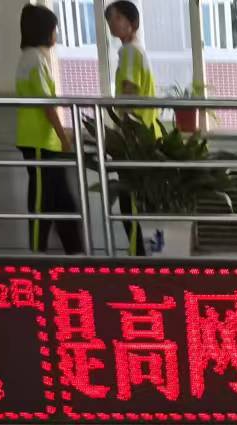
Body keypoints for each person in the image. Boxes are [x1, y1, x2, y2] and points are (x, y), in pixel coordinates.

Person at [14, 4, 82, 253]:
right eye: (54, 28)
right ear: (44, 30)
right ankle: (37, 256)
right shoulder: (34, 58)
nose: (56, 34)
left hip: (45, 141)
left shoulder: (35, 57)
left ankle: (75, 253)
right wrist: (64, 137)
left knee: (62, 202)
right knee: (42, 202)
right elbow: (46, 104)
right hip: (38, 141)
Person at [104, 0, 158, 254]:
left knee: (131, 199)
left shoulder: (129, 52)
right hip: (142, 135)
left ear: (132, 22)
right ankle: (140, 251)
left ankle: (138, 254)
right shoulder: (136, 50)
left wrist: (121, 131)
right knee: (134, 197)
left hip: (134, 138)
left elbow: (129, 92)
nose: (111, 24)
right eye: (109, 19)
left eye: (116, 18)